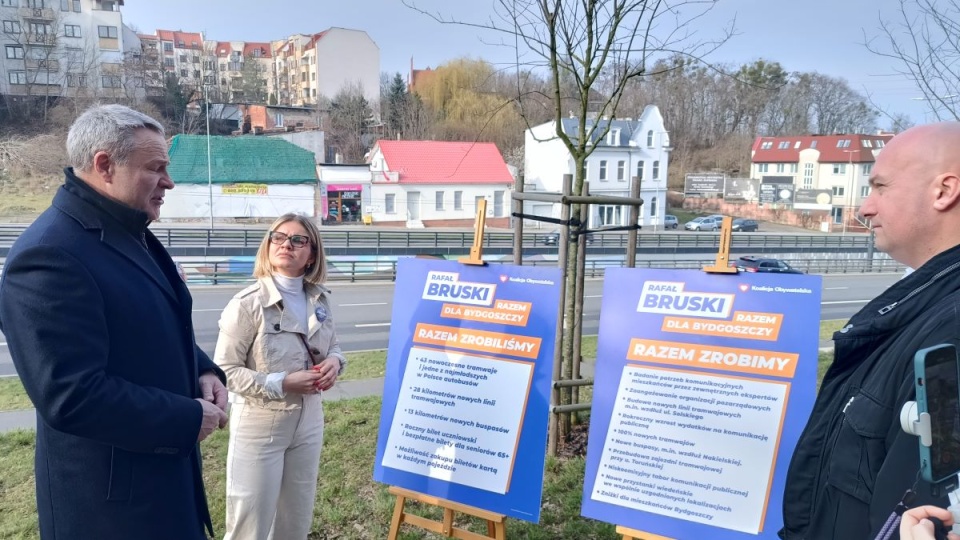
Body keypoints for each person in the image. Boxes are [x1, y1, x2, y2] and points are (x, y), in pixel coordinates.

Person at [0, 104, 228, 539]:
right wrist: (184, 417)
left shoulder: (126, 230)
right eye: (156, 168)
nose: (169, 181)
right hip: (111, 514)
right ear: (105, 165)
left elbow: (147, 327)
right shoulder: (50, 255)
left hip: (160, 492)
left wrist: (201, 368)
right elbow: (70, 395)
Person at [780, 121, 960, 539]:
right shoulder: (924, 306)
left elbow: (921, 511)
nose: (865, 208)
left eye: (880, 187)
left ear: (944, 191)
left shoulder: (949, 330)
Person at [214, 213, 346, 539]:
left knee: (295, 521)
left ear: (311, 254)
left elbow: (335, 348)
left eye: (298, 239)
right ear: (268, 244)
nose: (286, 244)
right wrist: (281, 383)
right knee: (251, 524)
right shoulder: (247, 304)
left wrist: (335, 363)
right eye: (278, 237)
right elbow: (225, 371)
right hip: (261, 425)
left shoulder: (320, 300)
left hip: (309, 423)